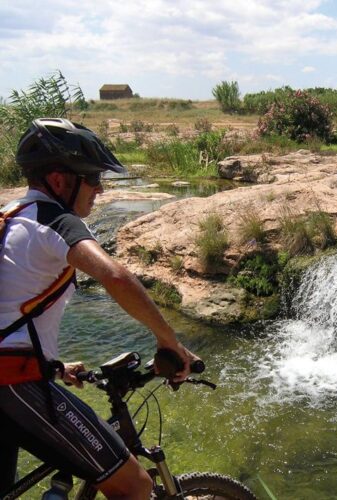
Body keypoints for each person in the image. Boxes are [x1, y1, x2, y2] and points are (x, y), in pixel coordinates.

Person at [0, 118, 200, 499]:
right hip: (14, 384)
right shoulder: (55, 221)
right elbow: (116, 277)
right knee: (136, 486)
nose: (100, 188)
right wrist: (169, 341)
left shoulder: (11, 216)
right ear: (59, 181)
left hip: (15, 374)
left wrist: (52, 365)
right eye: (92, 178)